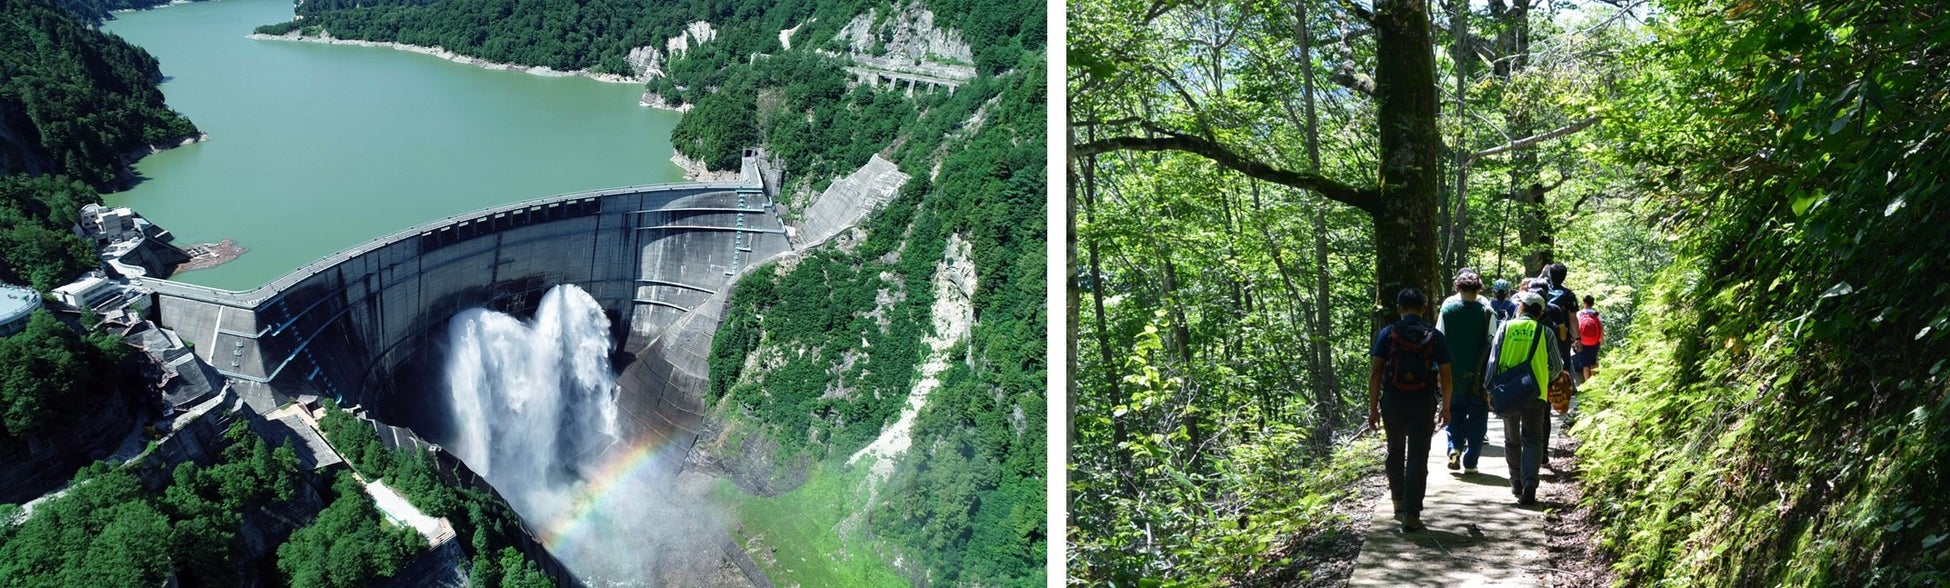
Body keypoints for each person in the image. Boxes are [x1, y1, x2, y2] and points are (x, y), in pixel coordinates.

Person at [1367, 288, 1454, 532]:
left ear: (1399, 307)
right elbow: (1446, 375)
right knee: (1418, 456)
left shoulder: (1388, 333)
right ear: (1423, 308)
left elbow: (1376, 372)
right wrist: (1446, 407)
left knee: (1395, 450)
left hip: (1393, 401)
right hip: (1422, 402)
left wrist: (1373, 408)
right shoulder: (1434, 335)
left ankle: (1397, 501)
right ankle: (1412, 513)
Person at [1484, 292, 1562, 506]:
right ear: (1540, 312)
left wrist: (1489, 389)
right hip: (1535, 393)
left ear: (1521, 307)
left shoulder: (1505, 328)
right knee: (1533, 439)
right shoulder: (1545, 332)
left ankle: (1516, 482)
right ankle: (1530, 483)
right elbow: (1557, 366)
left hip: (1508, 392)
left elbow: (1493, 360)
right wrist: (1544, 377)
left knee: (1511, 439)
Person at [1435, 271, 1495, 474]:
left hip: (1452, 375)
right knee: (1478, 418)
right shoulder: (1487, 312)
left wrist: (1437, 372)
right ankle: (1471, 462)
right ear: (1479, 289)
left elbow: (1439, 341)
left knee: (1453, 414)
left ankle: (1454, 448)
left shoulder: (1447, 311)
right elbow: (1493, 345)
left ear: (1457, 288)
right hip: (1479, 379)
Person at [1575, 294, 1604, 381]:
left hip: (1582, 341)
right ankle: (1594, 383)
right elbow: (1601, 328)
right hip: (1594, 342)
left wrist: (1575, 341)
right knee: (1593, 362)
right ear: (1592, 304)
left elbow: (1576, 327)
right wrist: (1601, 339)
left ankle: (1587, 384)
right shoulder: (1596, 314)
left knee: (1585, 365)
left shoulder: (1579, 314)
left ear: (1584, 303)